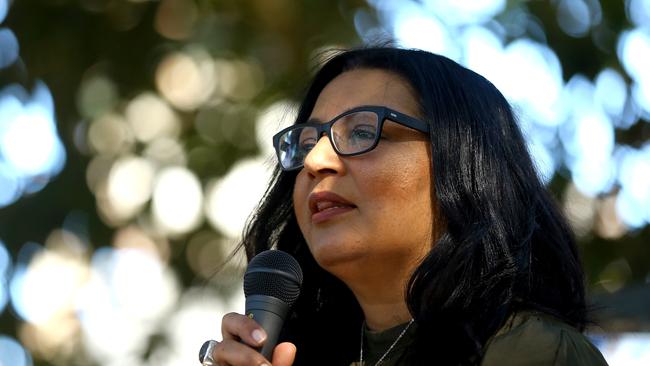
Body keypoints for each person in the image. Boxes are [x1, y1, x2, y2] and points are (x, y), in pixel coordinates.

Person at [205, 47, 609, 366]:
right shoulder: (297, 354)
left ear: (463, 163)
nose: (315, 161)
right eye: (307, 143)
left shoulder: (534, 352)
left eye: (362, 131)